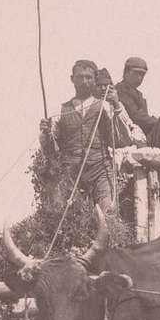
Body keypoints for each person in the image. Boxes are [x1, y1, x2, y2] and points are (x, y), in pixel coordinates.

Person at [38, 59, 117, 211]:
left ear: (95, 80)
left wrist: (117, 106)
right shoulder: (60, 110)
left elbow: (118, 140)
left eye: (89, 77)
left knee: (107, 212)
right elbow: (50, 152)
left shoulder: (105, 107)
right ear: (72, 79)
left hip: (100, 168)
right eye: (80, 77)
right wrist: (46, 134)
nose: (84, 81)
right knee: (63, 214)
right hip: (70, 171)